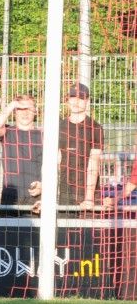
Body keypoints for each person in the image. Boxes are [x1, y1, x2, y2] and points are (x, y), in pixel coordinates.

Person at [0, 94, 43, 217]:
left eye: (29, 109)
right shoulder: (8, 132)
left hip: (35, 196)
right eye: (21, 109)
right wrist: (13, 104)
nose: (25, 113)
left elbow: (51, 166)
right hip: (10, 195)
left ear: (35, 111)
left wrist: (43, 187)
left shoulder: (43, 136)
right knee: (7, 229)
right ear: (14, 112)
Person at [60, 83, 103, 211]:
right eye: (73, 97)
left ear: (87, 101)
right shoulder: (59, 126)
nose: (76, 102)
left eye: (81, 98)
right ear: (67, 100)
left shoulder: (95, 127)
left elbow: (94, 163)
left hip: (88, 192)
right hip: (65, 191)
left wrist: (89, 198)